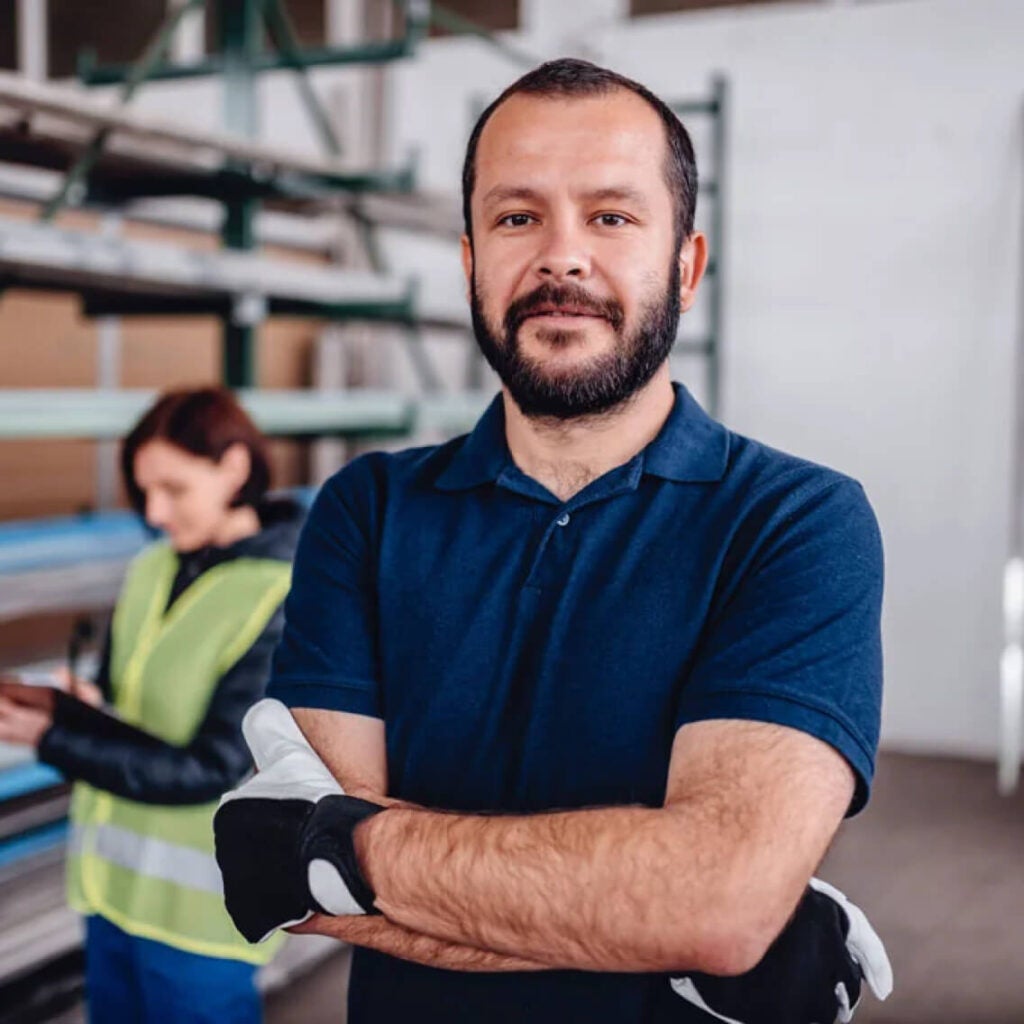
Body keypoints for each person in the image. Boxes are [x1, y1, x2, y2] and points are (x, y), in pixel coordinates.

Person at [214, 59, 891, 1023]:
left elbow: (719, 905)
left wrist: (346, 849)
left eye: (611, 218)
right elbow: (294, 897)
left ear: (686, 266)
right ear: (470, 262)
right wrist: (669, 915)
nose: (561, 258)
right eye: (517, 217)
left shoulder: (797, 522)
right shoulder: (365, 509)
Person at [0, 388, 303, 1024]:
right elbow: (127, 706)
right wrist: (77, 708)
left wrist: (52, 740)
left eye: (173, 489)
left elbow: (213, 766)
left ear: (234, 469)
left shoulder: (282, 597)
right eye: (145, 493)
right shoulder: (150, 569)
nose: (155, 512)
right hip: (111, 895)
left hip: (204, 918)